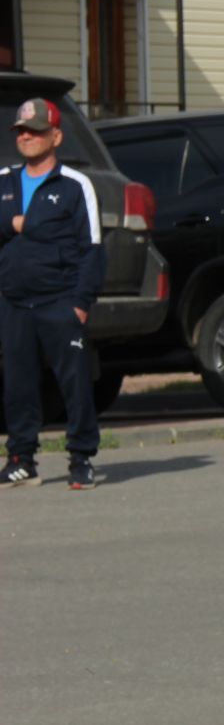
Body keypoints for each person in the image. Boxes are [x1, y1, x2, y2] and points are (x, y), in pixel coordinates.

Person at [0, 97, 104, 489]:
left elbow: (92, 248)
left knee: (74, 383)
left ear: (55, 136)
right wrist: (14, 221)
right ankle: (21, 459)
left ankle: (81, 459)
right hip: (14, 302)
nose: (26, 137)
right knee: (18, 385)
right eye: (21, 131)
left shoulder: (76, 186)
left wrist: (81, 303)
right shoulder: (4, 181)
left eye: (36, 130)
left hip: (61, 302)